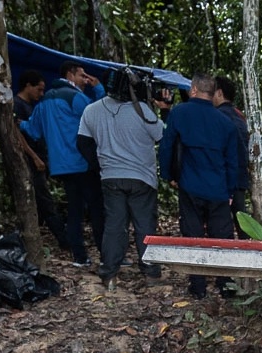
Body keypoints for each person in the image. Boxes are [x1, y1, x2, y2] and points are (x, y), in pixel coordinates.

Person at [77, 67, 165, 291]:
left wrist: (99, 164)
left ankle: (109, 274)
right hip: (142, 178)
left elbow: (83, 143)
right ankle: (151, 273)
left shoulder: (91, 110)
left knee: (114, 225)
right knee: (144, 225)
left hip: (110, 177)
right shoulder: (143, 110)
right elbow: (162, 136)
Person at [158, 72, 239, 299]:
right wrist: (230, 189)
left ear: (193, 89)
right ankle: (226, 285)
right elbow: (233, 162)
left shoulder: (179, 113)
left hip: (190, 184)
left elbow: (167, 147)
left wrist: (169, 175)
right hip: (218, 189)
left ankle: (198, 287)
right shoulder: (226, 122)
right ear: (212, 93)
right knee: (221, 237)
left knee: (192, 235)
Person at [20, 60, 105, 267]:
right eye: (82, 75)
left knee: (75, 210)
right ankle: (107, 255)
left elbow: (32, 130)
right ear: (70, 75)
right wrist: (99, 89)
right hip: (82, 162)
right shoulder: (76, 97)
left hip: (61, 166)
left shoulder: (44, 102)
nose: (85, 80)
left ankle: (80, 256)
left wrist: (16, 122)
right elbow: (101, 117)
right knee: (97, 209)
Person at [13, 70, 68, 247]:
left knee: (41, 201)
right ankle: (63, 239)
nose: (41, 94)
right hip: (29, 161)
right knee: (44, 200)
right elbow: (16, 135)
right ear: (28, 86)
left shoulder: (34, 106)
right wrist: (34, 157)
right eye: (39, 89)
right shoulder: (16, 105)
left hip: (42, 158)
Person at [213, 75, 251, 238]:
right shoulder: (238, 115)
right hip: (240, 175)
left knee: (221, 221)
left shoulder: (218, 117)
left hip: (225, 176)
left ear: (219, 93)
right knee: (240, 217)